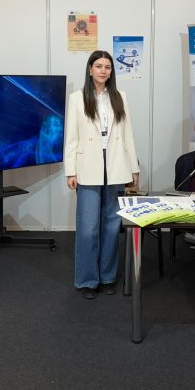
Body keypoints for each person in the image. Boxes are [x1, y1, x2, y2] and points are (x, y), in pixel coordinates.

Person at [65, 50, 139, 299]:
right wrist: (70, 170)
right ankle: (88, 280)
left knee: (111, 225)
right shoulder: (77, 98)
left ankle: (107, 276)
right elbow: (71, 138)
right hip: (87, 166)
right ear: (90, 69)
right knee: (88, 228)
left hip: (117, 165)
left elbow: (128, 135)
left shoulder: (120, 97)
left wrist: (134, 169)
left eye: (108, 67)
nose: (103, 71)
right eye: (99, 66)